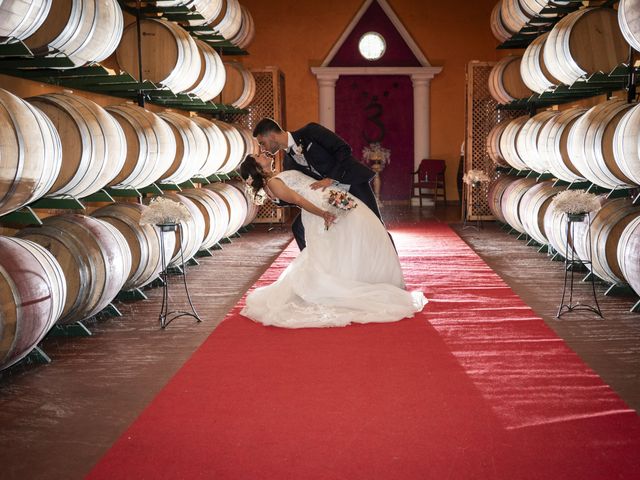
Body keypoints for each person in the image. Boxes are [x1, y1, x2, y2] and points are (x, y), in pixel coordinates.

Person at [238, 154, 427, 329]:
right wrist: (323, 214)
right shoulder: (273, 183)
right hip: (322, 208)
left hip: (331, 198)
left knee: (357, 234)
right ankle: (341, 286)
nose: (263, 153)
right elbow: (298, 199)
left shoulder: (276, 177)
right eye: (258, 156)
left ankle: (358, 277)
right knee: (342, 242)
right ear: (257, 168)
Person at [252, 118, 385, 251]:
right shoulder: (288, 162)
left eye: (262, 143)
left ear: (272, 136)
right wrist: (272, 195)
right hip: (331, 198)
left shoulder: (311, 131)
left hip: (351, 181)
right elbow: (294, 195)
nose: (263, 149)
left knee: (376, 225)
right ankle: (314, 265)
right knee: (298, 228)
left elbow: (343, 149)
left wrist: (331, 178)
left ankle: (388, 259)